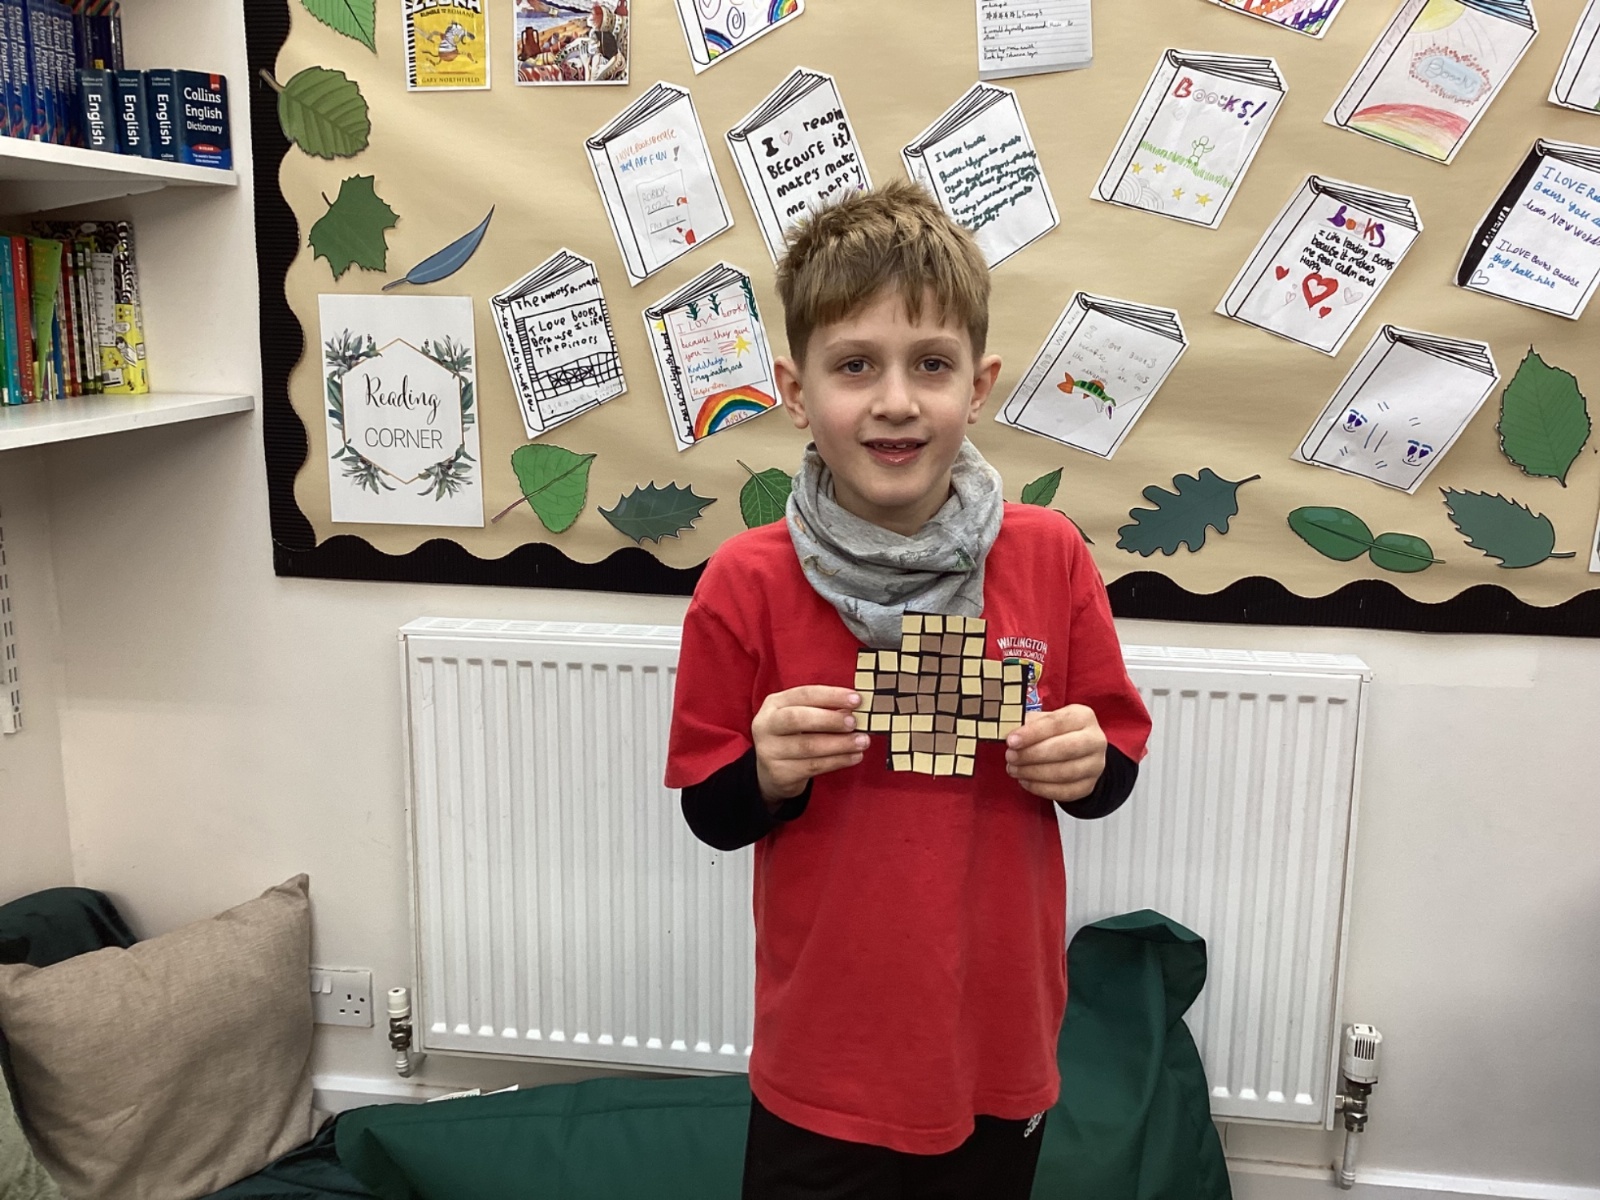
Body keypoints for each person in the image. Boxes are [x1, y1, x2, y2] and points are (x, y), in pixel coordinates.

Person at [665, 179, 1152, 1200]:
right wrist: (768, 773)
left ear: (978, 386)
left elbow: (1110, 773)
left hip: (995, 1041)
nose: (895, 401)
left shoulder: (1050, 557)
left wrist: (1086, 763)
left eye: (930, 364)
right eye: (855, 366)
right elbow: (711, 813)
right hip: (823, 1054)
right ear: (796, 392)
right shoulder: (744, 583)